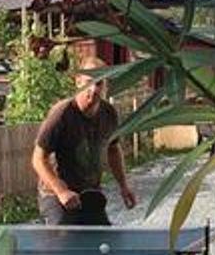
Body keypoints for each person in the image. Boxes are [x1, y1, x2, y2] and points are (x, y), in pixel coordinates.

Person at [32, 66, 137, 226]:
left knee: (102, 237)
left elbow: (113, 149)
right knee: (63, 238)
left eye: (99, 83)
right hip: (56, 195)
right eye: (89, 82)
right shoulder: (62, 113)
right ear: (78, 82)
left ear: (105, 86)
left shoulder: (109, 113)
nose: (94, 89)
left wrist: (124, 186)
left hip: (90, 194)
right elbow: (38, 159)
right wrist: (61, 191)